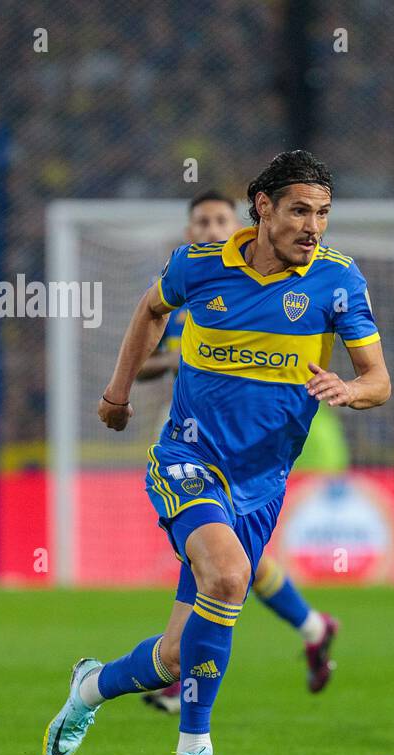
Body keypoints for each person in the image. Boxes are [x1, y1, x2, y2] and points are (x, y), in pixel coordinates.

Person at [43, 150, 391, 755]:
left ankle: (89, 686)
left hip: (262, 483)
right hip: (189, 460)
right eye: (298, 211)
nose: (312, 227)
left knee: (176, 655)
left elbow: (379, 379)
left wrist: (352, 388)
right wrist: (117, 397)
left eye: (322, 214)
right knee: (231, 576)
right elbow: (150, 311)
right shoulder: (199, 267)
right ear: (262, 207)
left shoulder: (338, 281)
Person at [134, 189, 342, 715]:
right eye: (200, 221)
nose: (210, 229)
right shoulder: (192, 289)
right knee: (224, 561)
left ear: (246, 223)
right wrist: (186, 357)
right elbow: (146, 358)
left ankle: (180, 664)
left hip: (255, 443)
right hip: (190, 435)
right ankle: (308, 628)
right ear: (189, 233)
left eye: (220, 220)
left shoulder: (282, 285)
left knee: (227, 562)